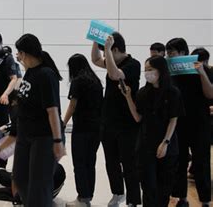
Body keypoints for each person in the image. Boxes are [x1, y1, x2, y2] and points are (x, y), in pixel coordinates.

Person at [121, 55, 183, 207]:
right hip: (145, 146)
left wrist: (165, 142)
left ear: (160, 70)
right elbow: (137, 118)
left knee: (164, 188)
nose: (147, 73)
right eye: (145, 70)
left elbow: (173, 119)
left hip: (167, 146)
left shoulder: (173, 92)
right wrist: (128, 97)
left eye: (150, 69)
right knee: (148, 187)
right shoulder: (143, 93)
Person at [12, 33, 66, 207]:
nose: (18, 57)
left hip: (44, 138)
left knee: (39, 186)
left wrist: (58, 141)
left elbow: (53, 111)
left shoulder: (46, 75)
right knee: (20, 178)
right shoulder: (31, 72)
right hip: (25, 135)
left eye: (19, 53)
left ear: (26, 53)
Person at [91, 32, 141, 207]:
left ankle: (133, 200)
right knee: (111, 162)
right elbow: (96, 60)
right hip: (108, 121)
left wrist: (107, 50)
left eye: (108, 53)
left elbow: (114, 74)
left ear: (117, 50)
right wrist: (96, 43)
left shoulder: (133, 64)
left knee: (129, 164)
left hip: (127, 123)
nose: (105, 56)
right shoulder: (112, 60)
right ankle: (117, 193)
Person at [167, 38, 212, 207]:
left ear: (183, 53)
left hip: (200, 124)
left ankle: (205, 200)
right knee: (179, 161)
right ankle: (182, 198)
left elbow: (210, 94)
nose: (170, 56)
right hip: (179, 123)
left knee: (201, 162)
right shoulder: (171, 72)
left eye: (172, 53)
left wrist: (201, 72)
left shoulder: (202, 69)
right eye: (168, 53)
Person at [63, 54, 103, 207]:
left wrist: (63, 123)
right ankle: (88, 197)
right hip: (96, 128)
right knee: (89, 162)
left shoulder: (78, 81)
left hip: (82, 128)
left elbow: (72, 106)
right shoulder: (95, 81)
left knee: (79, 163)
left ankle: (82, 197)